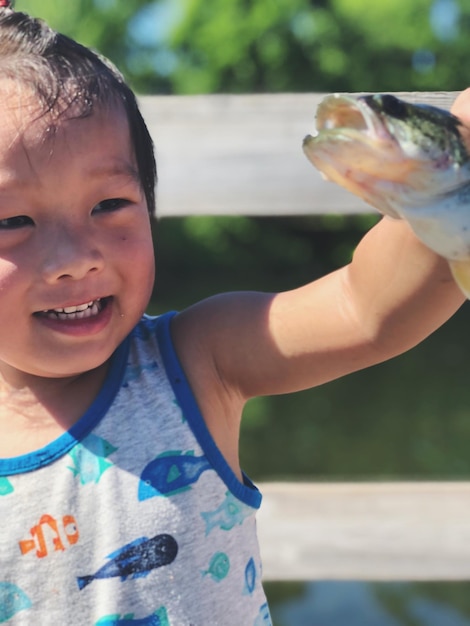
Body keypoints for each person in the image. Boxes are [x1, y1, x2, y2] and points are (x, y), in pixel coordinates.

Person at [0, 4, 467, 625]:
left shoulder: (197, 363)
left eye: (109, 204)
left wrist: (450, 157)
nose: (74, 259)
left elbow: (365, 307)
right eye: (13, 221)